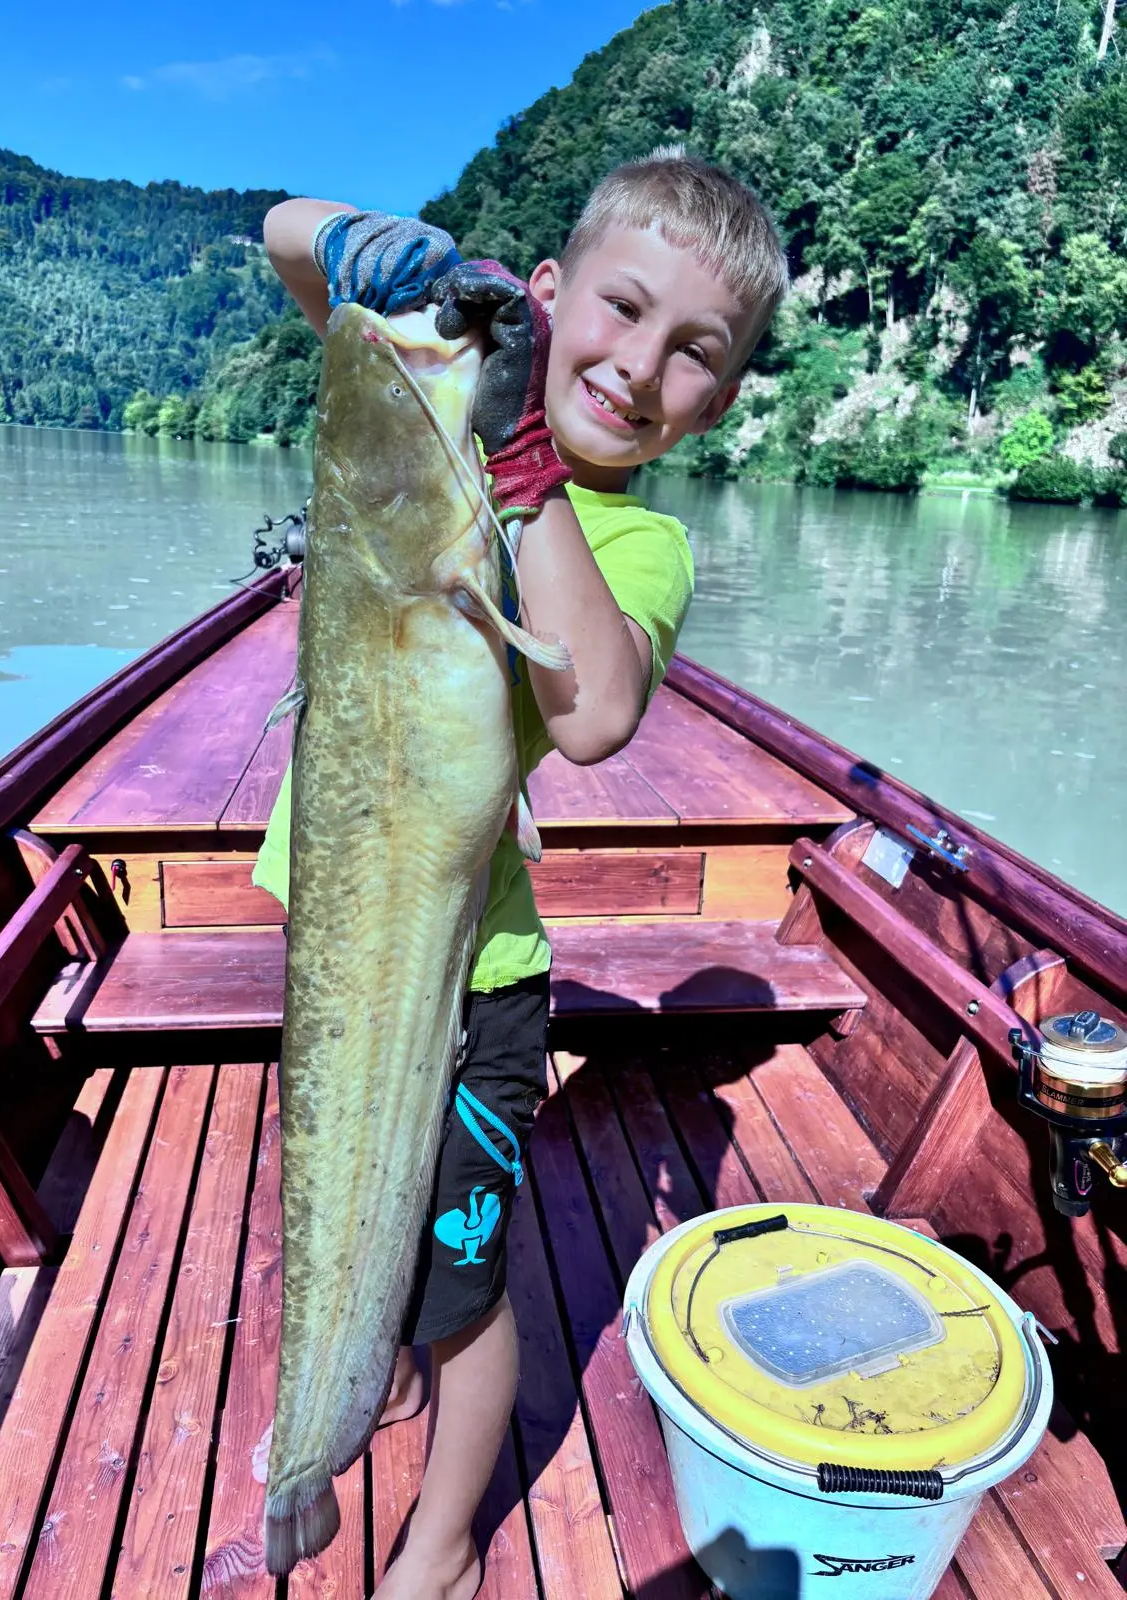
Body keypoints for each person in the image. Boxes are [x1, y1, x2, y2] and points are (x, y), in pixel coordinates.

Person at [253, 144, 788, 1600]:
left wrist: (528, 469)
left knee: (468, 1294)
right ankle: (381, 1380)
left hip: (477, 991)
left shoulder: (633, 542)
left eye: (694, 355)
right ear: (545, 300)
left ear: (719, 405)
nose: (635, 367)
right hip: (335, 951)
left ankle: (438, 1549)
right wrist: (402, 268)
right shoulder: (428, 405)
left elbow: (598, 711)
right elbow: (285, 237)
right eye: (615, 312)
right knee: (342, 1215)